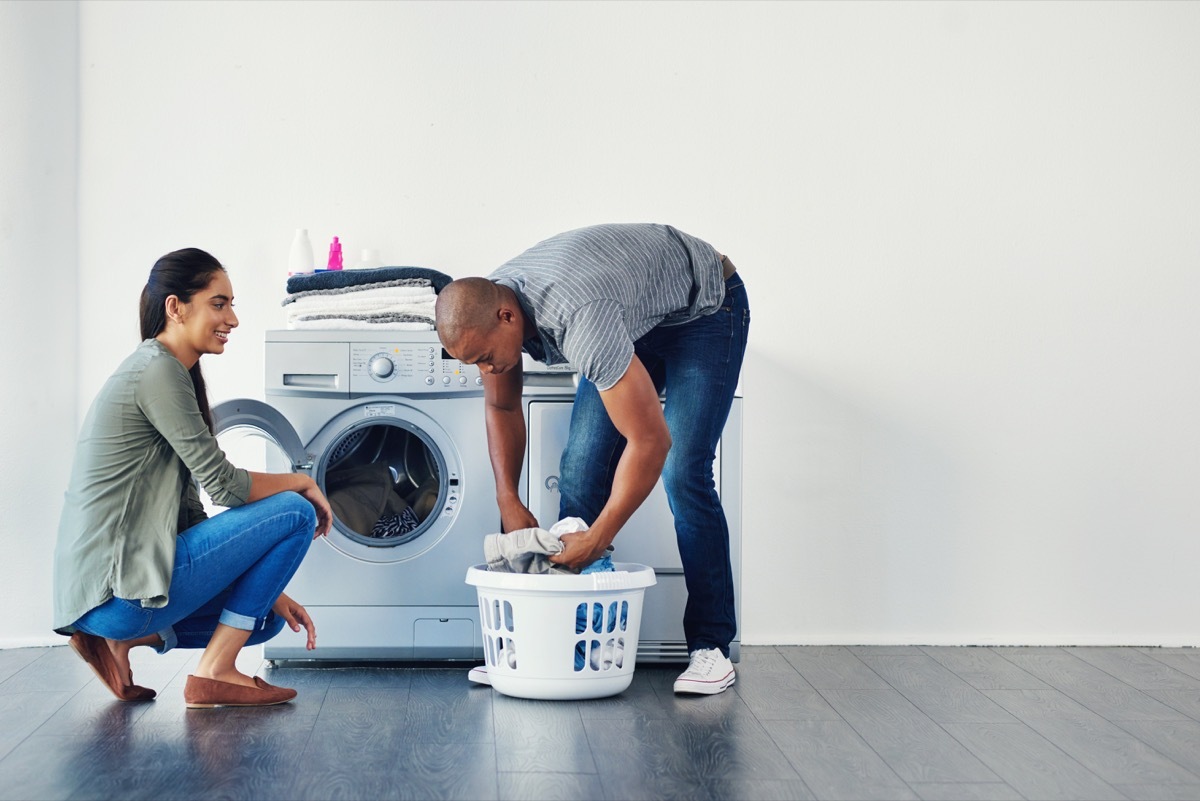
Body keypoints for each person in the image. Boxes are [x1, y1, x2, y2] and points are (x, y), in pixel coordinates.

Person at [436, 223, 749, 695]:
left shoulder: (581, 318)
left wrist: (600, 536)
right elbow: (501, 405)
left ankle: (712, 647)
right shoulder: (490, 305)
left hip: (705, 308)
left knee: (684, 470)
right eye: (471, 362)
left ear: (507, 318)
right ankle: (567, 640)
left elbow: (650, 442)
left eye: (483, 357)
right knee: (581, 469)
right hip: (632, 315)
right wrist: (507, 497)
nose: (484, 369)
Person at [52, 248, 333, 709]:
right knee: (296, 513)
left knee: (264, 619)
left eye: (231, 305)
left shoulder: (164, 371)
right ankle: (214, 673)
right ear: (176, 307)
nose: (233, 319)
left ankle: (118, 644)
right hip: (116, 592)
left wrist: (269, 586)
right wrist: (299, 481)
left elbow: (190, 512)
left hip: (107, 600)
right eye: (219, 303)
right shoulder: (157, 371)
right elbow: (226, 485)